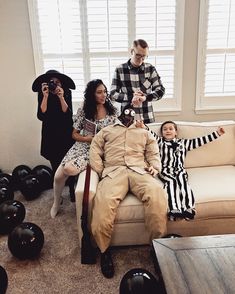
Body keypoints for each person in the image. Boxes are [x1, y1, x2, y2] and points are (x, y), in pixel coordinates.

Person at [89, 106, 168, 279]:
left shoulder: (143, 131)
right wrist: (101, 170)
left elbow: (153, 150)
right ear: (119, 115)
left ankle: (157, 248)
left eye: (131, 115)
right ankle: (104, 251)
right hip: (114, 172)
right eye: (125, 114)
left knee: (157, 194)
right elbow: (94, 148)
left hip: (140, 171)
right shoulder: (106, 131)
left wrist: (154, 168)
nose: (128, 118)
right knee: (103, 204)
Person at [50, 79, 117, 218]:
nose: (104, 95)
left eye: (105, 91)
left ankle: (74, 174)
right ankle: (56, 202)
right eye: (99, 92)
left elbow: (116, 134)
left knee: (69, 169)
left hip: (98, 150)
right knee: (58, 176)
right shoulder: (84, 110)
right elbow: (74, 134)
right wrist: (87, 138)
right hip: (82, 145)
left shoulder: (113, 112)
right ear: (92, 94)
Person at [138, 120, 225, 221]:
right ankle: (174, 209)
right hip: (165, 170)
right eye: (165, 129)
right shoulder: (160, 142)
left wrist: (217, 134)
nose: (168, 131)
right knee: (171, 183)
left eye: (171, 129)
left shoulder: (183, 143)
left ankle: (188, 208)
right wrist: (143, 126)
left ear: (176, 132)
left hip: (180, 170)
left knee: (183, 184)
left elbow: (200, 141)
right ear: (162, 133)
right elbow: (151, 134)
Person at [32, 69, 76, 199]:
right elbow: (41, 115)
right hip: (50, 134)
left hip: (65, 133)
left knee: (69, 164)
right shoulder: (43, 93)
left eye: (57, 82)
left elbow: (67, 115)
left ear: (61, 84)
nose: (54, 85)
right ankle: (58, 195)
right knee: (55, 165)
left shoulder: (66, 92)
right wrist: (45, 96)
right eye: (52, 82)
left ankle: (72, 190)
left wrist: (61, 97)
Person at [110, 39, 165, 123]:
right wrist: (131, 97)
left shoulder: (150, 69)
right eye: (138, 55)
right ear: (132, 51)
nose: (141, 59)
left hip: (147, 118)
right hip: (128, 119)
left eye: (144, 56)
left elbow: (160, 90)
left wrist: (145, 97)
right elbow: (113, 94)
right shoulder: (120, 69)